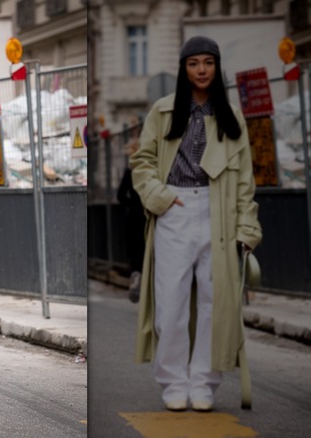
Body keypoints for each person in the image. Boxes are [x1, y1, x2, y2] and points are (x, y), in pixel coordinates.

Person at [130, 36, 262, 412]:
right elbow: (143, 163)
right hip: (175, 206)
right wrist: (162, 198)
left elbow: (245, 181)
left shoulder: (232, 116)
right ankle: (173, 381)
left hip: (221, 213)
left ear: (217, 67)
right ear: (184, 68)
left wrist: (248, 229)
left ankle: (204, 383)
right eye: (194, 63)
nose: (202, 70)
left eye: (208, 63)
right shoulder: (163, 110)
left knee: (214, 303)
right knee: (170, 303)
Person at [117, 139, 146, 303]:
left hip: (133, 216)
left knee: (134, 250)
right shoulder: (150, 171)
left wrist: (132, 205)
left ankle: (136, 275)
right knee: (148, 249)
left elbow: (120, 196)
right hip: (149, 213)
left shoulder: (130, 172)